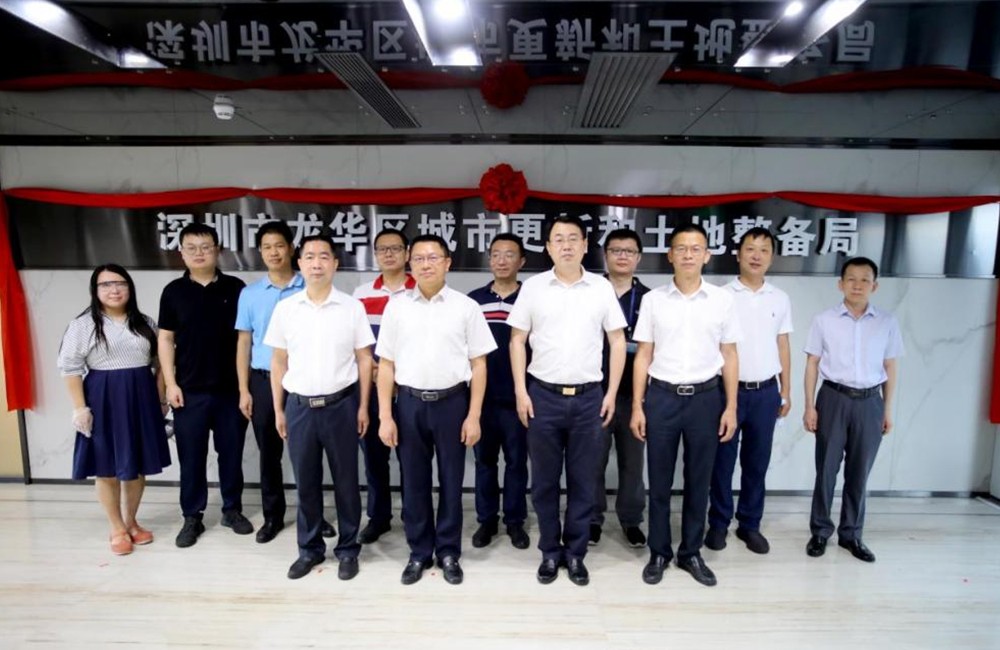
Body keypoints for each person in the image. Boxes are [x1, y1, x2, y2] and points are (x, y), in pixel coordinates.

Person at [508, 215, 627, 587]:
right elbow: (517, 340)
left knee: (583, 481)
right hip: (543, 397)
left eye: (573, 238)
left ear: (585, 244)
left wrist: (611, 392)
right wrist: (521, 391)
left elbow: (618, 341)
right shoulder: (534, 288)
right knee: (543, 482)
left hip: (589, 398)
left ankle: (575, 554)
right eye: (558, 239)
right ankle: (549, 550)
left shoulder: (600, 288)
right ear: (547, 247)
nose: (566, 245)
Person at [376, 234, 496, 586]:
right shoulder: (397, 307)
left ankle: (448, 552)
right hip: (409, 404)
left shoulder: (466, 307)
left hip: (453, 404)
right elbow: (386, 365)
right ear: (410, 263)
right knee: (413, 482)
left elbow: (479, 364)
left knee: (451, 482)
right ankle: (418, 552)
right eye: (419, 258)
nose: (426, 264)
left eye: (433, 257)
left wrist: (474, 415)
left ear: (447, 262)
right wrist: (385, 415)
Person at [631, 223, 741, 587]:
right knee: (659, 481)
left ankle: (691, 551)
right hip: (661, 397)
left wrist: (731, 407)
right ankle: (659, 552)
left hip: (707, 399)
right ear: (670, 255)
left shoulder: (723, 300)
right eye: (681, 248)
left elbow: (730, 354)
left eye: (696, 248)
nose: (689, 255)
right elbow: (643, 354)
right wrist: (637, 406)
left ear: (707, 255)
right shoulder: (653, 300)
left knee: (699, 480)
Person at [265, 235, 375, 580]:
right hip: (299, 408)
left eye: (324, 256)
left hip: (342, 405)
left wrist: (363, 406)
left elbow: (364, 358)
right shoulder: (286, 309)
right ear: (299, 263)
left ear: (335, 264)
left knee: (347, 481)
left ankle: (348, 549)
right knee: (306, 482)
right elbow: (278, 361)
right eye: (309, 256)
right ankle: (309, 549)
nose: (316, 263)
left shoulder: (351, 307)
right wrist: (279, 409)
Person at [58, 264, 172, 556]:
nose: (114, 290)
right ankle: (116, 527)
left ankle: (131, 522)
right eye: (106, 285)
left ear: (130, 287)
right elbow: (70, 368)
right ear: (95, 290)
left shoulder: (144, 322)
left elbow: (161, 363)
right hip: (102, 398)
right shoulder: (83, 325)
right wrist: (80, 408)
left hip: (141, 397)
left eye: (120, 283)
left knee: (137, 465)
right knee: (106, 466)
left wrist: (161, 399)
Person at [235, 220, 335, 544]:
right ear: (260, 252)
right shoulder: (249, 294)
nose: (274, 252)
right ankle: (272, 516)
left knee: (310, 454)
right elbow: (244, 343)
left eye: (279, 245)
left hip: (305, 381)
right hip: (264, 381)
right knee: (269, 454)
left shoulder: (311, 285)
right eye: (267, 247)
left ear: (291, 249)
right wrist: (244, 389)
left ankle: (315, 516)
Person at [803, 256, 903, 563]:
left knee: (859, 473)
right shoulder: (824, 320)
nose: (857, 285)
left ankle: (852, 534)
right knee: (826, 470)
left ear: (875, 286)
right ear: (840, 284)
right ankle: (820, 531)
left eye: (864, 280)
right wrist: (809, 406)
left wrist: (887, 410)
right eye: (851, 279)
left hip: (870, 402)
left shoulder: (887, 322)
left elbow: (890, 367)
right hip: (833, 398)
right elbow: (812, 363)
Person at [158, 222, 251, 548]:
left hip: (229, 391)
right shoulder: (173, 291)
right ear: (181, 253)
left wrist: (244, 388)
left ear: (217, 250)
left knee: (231, 454)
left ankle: (232, 509)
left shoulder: (236, 288)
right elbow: (165, 339)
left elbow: (244, 340)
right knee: (192, 457)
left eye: (206, 247)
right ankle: (192, 516)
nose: (199, 253)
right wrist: (170, 384)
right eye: (191, 248)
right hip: (189, 391)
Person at [706, 227, 792, 555]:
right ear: (738, 254)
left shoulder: (779, 298)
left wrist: (786, 389)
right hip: (727, 393)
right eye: (750, 249)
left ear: (772, 257)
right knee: (722, 462)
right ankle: (718, 523)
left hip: (766, 392)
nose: (756, 256)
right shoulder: (721, 296)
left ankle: (750, 524)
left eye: (764, 250)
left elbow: (783, 344)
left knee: (757, 462)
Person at [352, 228, 416, 544]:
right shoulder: (361, 293)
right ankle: (378, 518)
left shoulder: (421, 290)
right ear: (375, 255)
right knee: (374, 458)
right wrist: (376, 371)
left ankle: (413, 517)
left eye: (395, 248)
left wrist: (398, 373)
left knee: (411, 458)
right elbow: (355, 341)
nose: (388, 254)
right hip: (372, 387)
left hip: (410, 389)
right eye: (382, 249)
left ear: (407, 253)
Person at [467, 233, 530, 550]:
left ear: (522, 261)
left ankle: (515, 522)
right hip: (483, 399)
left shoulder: (531, 298)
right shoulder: (473, 301)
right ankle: (487, 520)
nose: (502, 260)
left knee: (517, 463)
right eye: (496, 254)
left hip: (519, 398)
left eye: (509, 254)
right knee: (485, 463)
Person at [591, 228, 650, 549]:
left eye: (629, 251)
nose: (622, 256)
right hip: (595, 392)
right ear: (606, 255)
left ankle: (631, 520)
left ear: (638, 258)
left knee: (633, 462)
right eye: (616, 250)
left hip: (635, 395)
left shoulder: (650, 299)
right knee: (592, 462)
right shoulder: (590, 292)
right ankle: (591, 520)